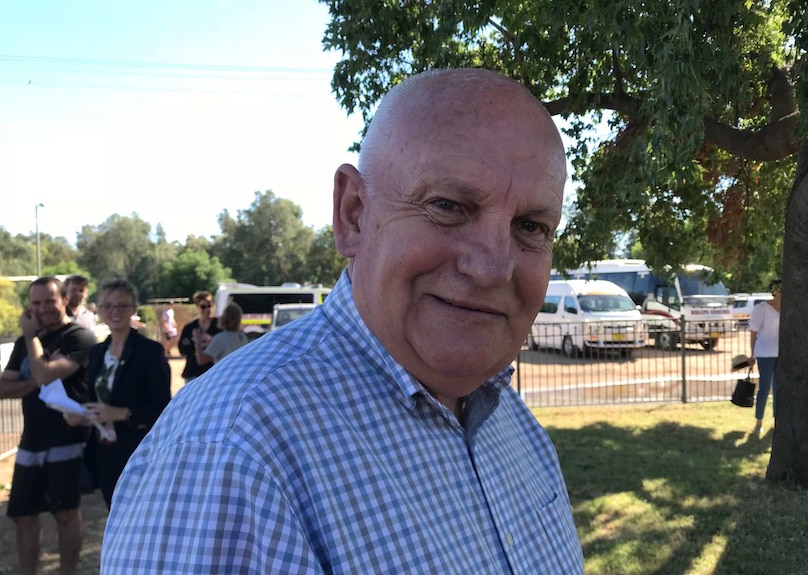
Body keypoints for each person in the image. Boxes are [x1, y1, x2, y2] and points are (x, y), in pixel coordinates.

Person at [102, 68, 584, 573]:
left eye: (530, 226)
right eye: (447, 206)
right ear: (353, 214)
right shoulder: (227, 457)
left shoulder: (511, 422)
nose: (491, 267)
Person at [0, 277, 97, 575]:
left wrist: (31, 341)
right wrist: (37, 379)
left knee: (65, 512)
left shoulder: (79, 338)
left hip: (68, 436)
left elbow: (43, 375)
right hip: (32, 440)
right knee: (23, 514)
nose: (42, 308)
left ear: (65, 299)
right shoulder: (25, 342)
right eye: (36, 302)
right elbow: (4, 386)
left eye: (49, 301)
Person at [66, 278, 171, 508]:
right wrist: (81, 413)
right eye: (107, 306)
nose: (115, 311)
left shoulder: (150, 353)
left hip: (137, 454)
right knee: (112, 515)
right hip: (104, 453)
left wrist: (122, 413)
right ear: (99, 309)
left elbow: (164, 409)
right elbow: (96, 401)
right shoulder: (97, 353)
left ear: (133, 308)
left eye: (122, 305)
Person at [748, 278, 781, 437]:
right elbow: (753, 333)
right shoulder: (761, 309)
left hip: (782, 354)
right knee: (764, 388)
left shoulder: (789, 308)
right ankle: (758, 422)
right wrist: (752, 355)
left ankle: (778, 422)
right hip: (765, 353)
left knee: (779, 388)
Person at [177, 291, 221, 383]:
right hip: (192, 372)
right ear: (197, 307)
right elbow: (182, 349)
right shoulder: (190, 327)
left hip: (212, 372)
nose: (207, 309)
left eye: (209, 306)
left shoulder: (219, 325)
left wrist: (211, 340)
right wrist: (196, 343)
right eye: (203, 307)